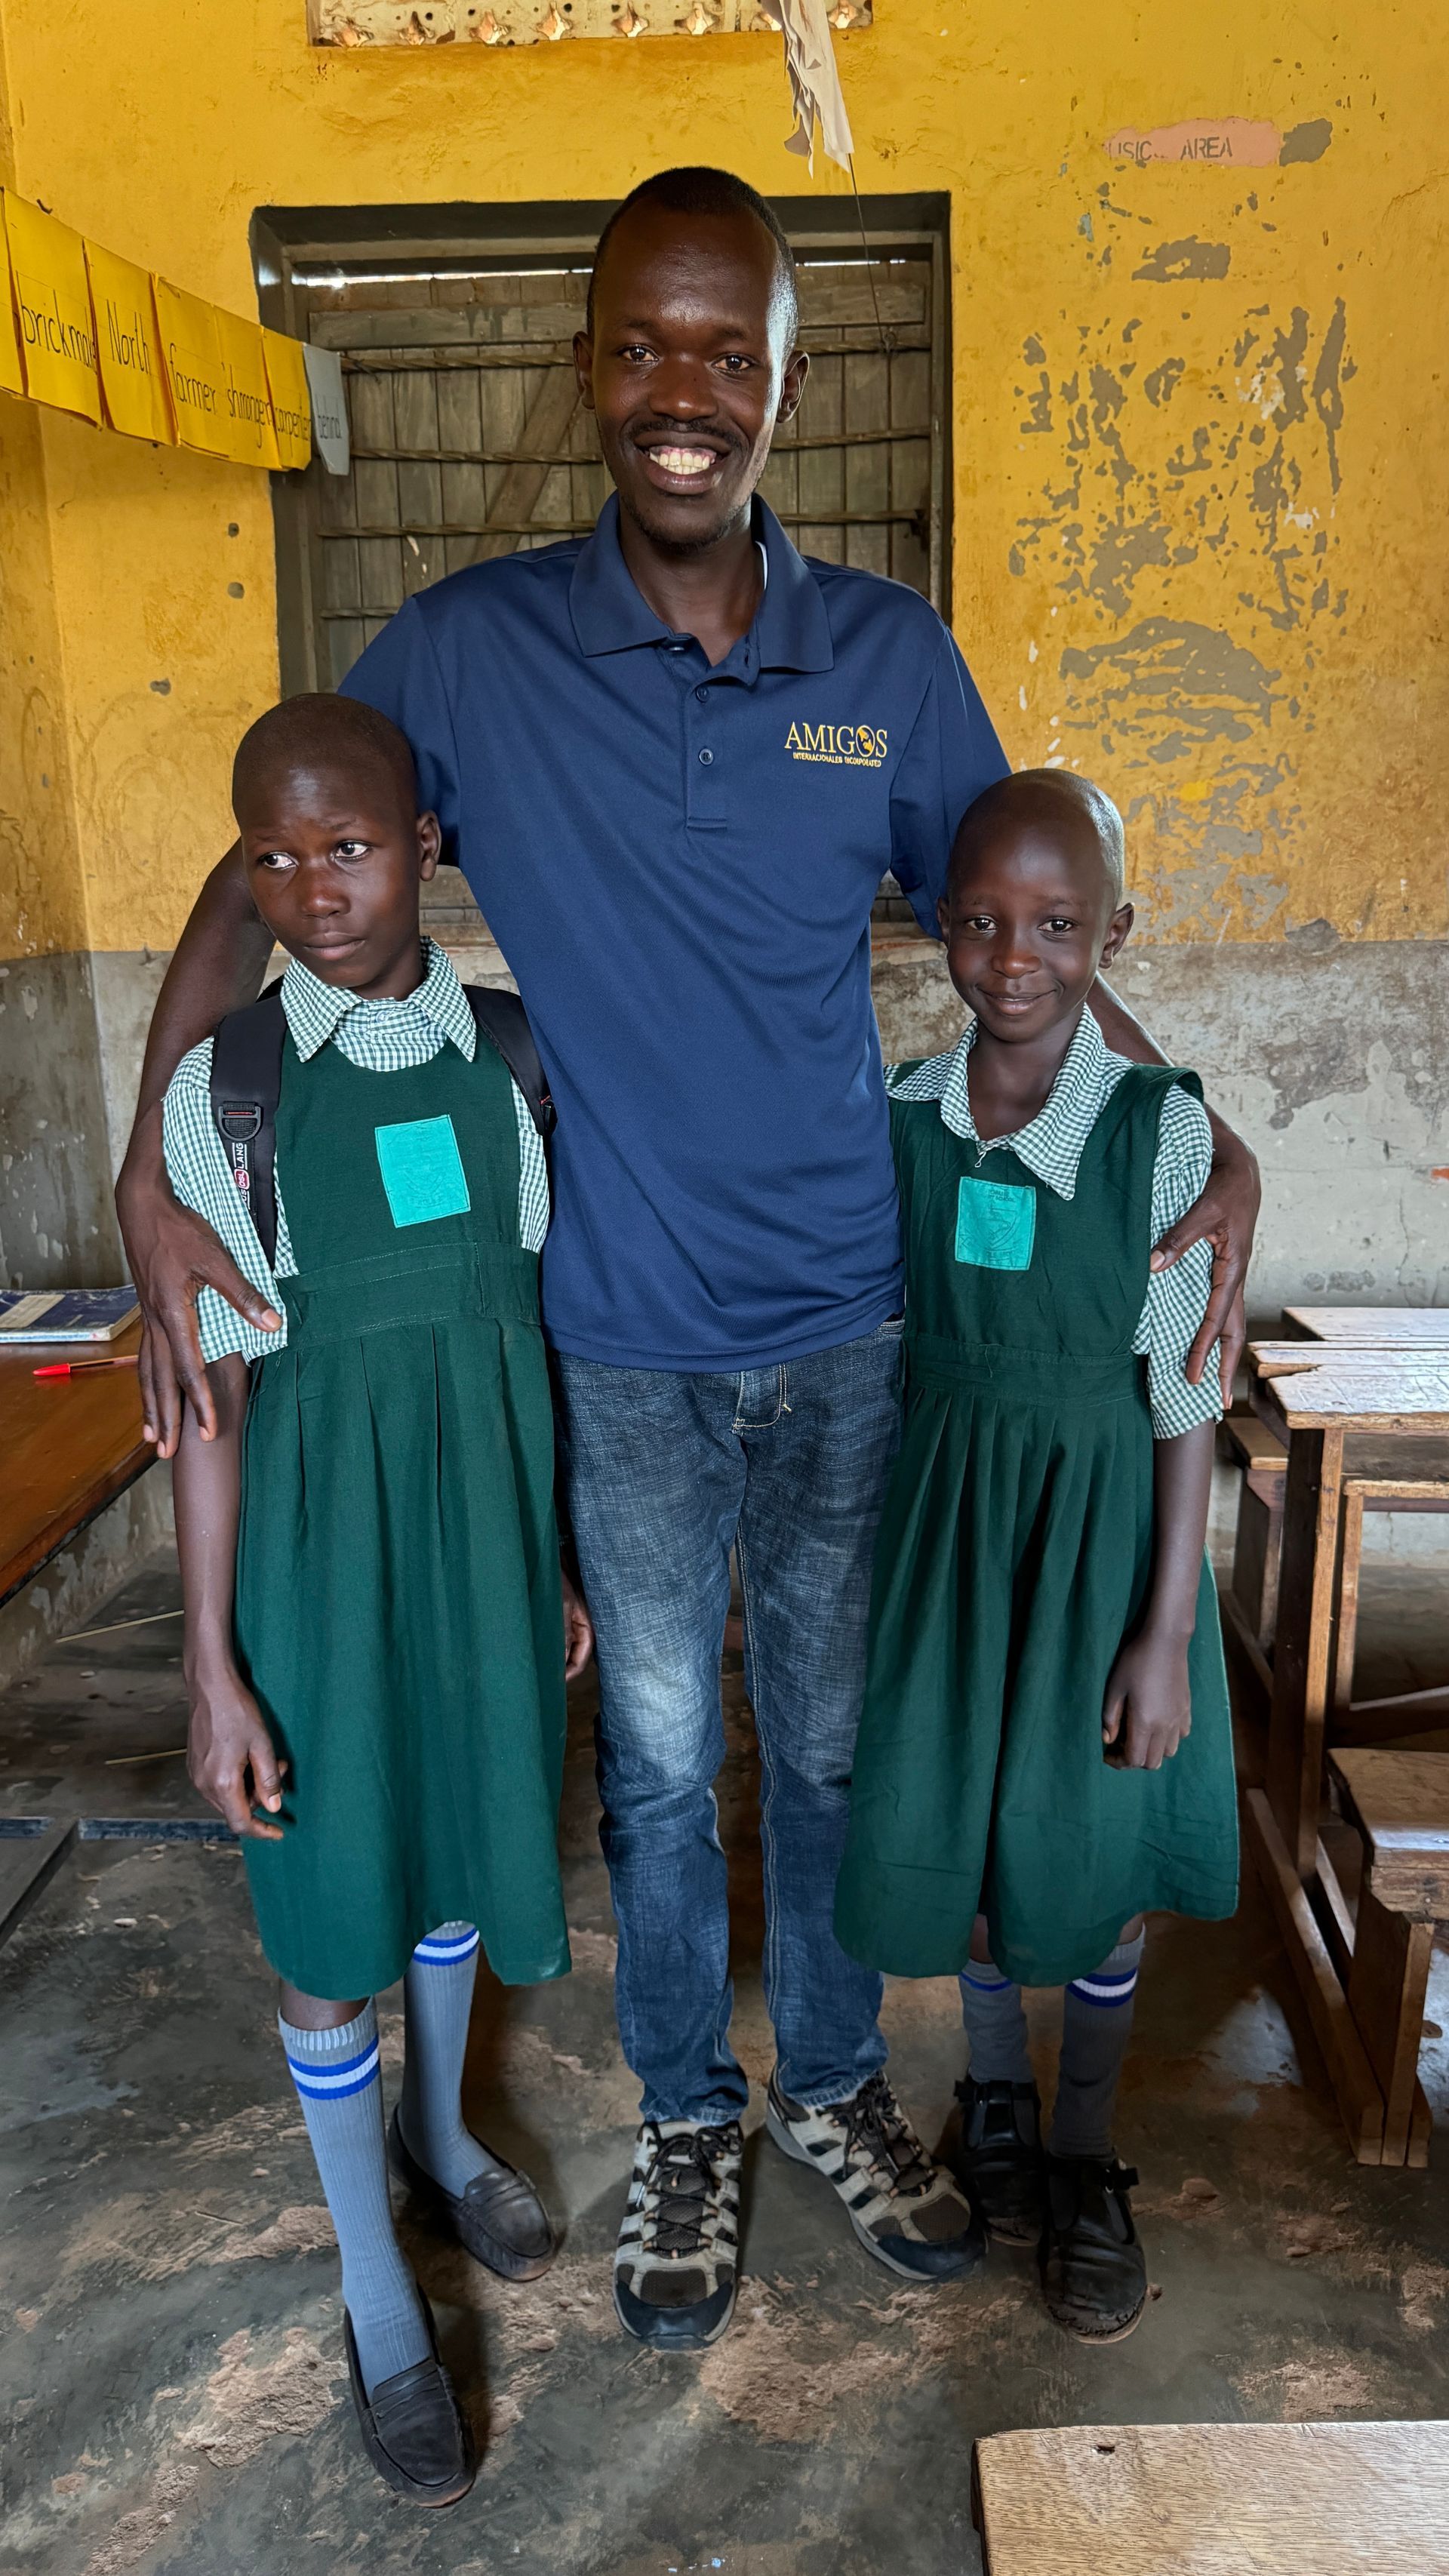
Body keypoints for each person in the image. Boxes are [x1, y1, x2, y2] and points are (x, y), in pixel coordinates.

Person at [118, 168, 1260, 2353]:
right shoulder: (465, 651)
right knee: (654, 1757)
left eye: (727, 352)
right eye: (643, 345)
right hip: (618, 1331)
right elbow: (256, 860)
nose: (682, 394)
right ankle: (688, 2111)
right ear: (589, 372)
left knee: (817, 1740)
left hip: (846, 1311)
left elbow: (1031, 939)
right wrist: (150, 1169)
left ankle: (829, 2078)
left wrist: (1200, 1137)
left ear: (785, 387)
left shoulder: (890, 662)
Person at [167, 693, 592, 2505]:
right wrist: (211, 1665)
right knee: (327, 1900)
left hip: (482, 1541)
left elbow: (538, 1328)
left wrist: (556, 1547)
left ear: (425, 842)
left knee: (453, 1854)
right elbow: (206, 1412)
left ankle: (441, 2126)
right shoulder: (229, 1095)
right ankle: (375, 2293)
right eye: (273, 853)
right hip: (319, 1562)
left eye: (347, 845)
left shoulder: (512, 1054)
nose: (313, 885)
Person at [835, 769, 1239, 2345]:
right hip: (952, 1538)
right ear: (942, 926)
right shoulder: (908, 1118)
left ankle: (1081, 2150)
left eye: (1059, 926)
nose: (1016, 957)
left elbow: (1187, 1384)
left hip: (1100, 1543)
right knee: (985, 1849)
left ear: (1113, 935)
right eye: (987, 922)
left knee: (1094, 1850)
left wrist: (1161, 1627)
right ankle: (993, 2102)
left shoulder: (1160, 1125)